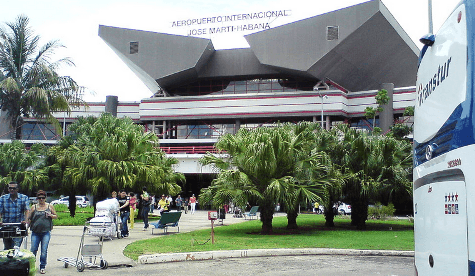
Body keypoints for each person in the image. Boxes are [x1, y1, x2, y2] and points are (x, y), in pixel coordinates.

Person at [28, 190, 57, 274]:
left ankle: (42, 266)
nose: (41, 200)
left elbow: (56, 216)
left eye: (43, 198)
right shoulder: (34, 207)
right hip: (35, 232)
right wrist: (26, 227)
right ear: (37, 199)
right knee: (33, 249)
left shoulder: (50, 206)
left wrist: (51, 215)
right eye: (39, 198)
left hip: (46, 232)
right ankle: (31, 266)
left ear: (45, 198)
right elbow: (29, 218)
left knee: (44, 250)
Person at [0, 181, 30, 250]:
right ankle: (8, 260)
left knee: (15, 247)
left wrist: (26, 221)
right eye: (10, 188)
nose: (12, 190)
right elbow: (0, 211)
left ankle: (15, 258)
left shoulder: (24, 198)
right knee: (7, 248)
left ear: (17, 189)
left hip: (18, 226)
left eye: (14, 188)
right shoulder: (3, 198)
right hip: (6, 226)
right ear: (8, 189)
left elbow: (27, 210)